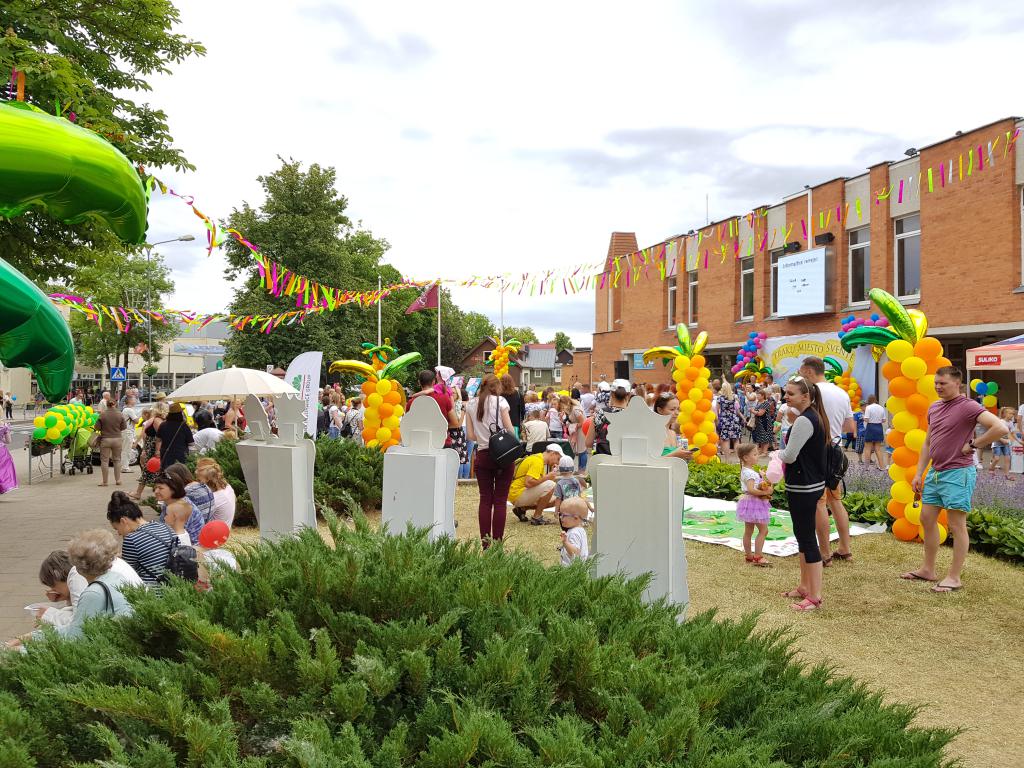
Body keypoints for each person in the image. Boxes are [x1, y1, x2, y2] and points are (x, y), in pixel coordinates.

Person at [902, 367, 1008, 593]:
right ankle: (928, 570)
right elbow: (928, 443)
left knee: (956, 525)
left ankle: (954, 577)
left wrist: (973, 445)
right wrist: (920, 473)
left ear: (958, 384)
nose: (938, 387)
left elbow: (1000, 427)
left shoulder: (968, 406)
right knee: (926, 518)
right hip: (936, 473)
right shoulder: (934, 407)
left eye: (943, 383)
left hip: (958, 473)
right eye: (936, 383)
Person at [777, 375, 829, 612]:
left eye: (790, 393)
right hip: (810, 484)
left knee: (807, 539)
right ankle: (805, 587)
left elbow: (789, 456)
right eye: (785, 393)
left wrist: (775, 455)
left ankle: (815, 596)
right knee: (803, 536)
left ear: (805, 397)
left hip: (804, 486)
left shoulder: (805, 420)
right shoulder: (810, 417)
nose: (786, 397)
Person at [798, 356, 854, 564]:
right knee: (835, 500)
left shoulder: (811, 392)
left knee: (818, 503)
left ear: (810, 372)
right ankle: (845, 549)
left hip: (814, 452)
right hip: (835, 450)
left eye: (802, 373)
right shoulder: (841, 392)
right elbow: (850, 428)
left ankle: (824, 553)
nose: (800, 377)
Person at [464, 373, 516, 548]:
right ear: (497, 387)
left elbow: (470, 435)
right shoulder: (501, 402)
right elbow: (510, 431)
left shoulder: (471, 405)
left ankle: (485, 545)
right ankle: (498, 545)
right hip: (502, 456)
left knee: (485, 500)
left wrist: (484, 438)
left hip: (483, 455)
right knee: (500, 501)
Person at [34, 548, 142, 629]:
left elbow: (79, 624)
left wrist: (49, 614)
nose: (54, 590)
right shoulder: (113, 564)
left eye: (53, 586)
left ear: (58, 576)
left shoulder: (76, 574)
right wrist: (67, 597)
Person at [106, 492, 178, 587]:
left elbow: (127, 572)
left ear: (123, 521)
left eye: (117, 528)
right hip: (174, 586)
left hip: (149, 593)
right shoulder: (167, 528)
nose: (119, 533)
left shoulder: (131, 539)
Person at [736, 443, 773, 567]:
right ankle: (758, 556)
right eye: (755, 454)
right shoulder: (750, 473)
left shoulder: (746, 471)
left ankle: (749, 555)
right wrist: (765, 492)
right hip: (755, 502)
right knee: (763, 530)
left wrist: (762, 477)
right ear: (746, 457)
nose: (758, 456)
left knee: (749, 531)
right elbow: (751, 489)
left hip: (747, 502)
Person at [508, 444, 565, 524]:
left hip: (516, 493)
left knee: (556, 499)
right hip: (517, 494)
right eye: (558, 459)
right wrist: (547, 477)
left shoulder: (537, 458)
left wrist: (550, 475)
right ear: (553, 453)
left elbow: (537, 482)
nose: (557, 462)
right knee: (550, 485)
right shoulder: (537, 461)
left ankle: (522, 509)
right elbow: (528, 482)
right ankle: (537, 517)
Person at [408, 369, 460, 449]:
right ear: (434, 382)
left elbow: (409, 425)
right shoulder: (444, 398)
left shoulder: (411, 402)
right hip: (441, 442)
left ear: (419, 382)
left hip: (419, 444)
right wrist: (439, 428)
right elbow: (455, 423)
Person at [153, 469, 203, 545]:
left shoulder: (181, 508)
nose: (156, 491)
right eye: (155, 487)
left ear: (173, 489)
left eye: (160, 488)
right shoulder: (168, 503)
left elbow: (173, 536)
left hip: (190, 548)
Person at [587, 379, 630, 455]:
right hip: (627, 460)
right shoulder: (633, 415)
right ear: (628, 395)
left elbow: (588, 443)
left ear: (611, 394)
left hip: (604, 460)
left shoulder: (600, 413)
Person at [131, 405, 165, 501]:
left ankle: (141, 493)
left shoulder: (157, 420)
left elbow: (160, 436)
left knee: (151, 470)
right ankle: (140, 493)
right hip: (152, 447)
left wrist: (156, 450)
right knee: (150, 470)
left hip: (153, 448)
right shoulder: (156, 419)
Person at [196, 459, 236, 526]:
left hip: (212, 534)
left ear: (207, 479)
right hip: (223, 531)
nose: (199, 483)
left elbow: (197, 519)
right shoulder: (228, 487)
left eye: (200, 480)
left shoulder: (213, 498)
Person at [653, 393, 693, 460]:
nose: (677, 413)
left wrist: (685, 455)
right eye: (672, 409)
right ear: (659, 410)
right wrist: (676, 454)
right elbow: (651, 462)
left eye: (678, 409)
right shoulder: (653, 432)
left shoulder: (672, 433)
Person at [97, 399, 127, 487]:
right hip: (117, 439)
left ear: (106, 404)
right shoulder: (120, 414)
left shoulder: (102, 414)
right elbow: (124, 427)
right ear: (115, 404)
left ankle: (105, 481)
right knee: (117, 460)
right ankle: (118, 480)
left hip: (105, 439)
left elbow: (97, 427)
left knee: (104, 461)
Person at [156, 402, 194, 469]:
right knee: (179, 474)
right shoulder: (184, 426)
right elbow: (191, 443)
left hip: (166, 454)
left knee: (167, 473)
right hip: (181, 454)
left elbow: (158, 440)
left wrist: (157, 451)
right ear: (180, 414)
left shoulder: (163, 425)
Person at [558, 497, 590, 566]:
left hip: (571, 572)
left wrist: (565, 542)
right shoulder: (581, 530)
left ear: (576, 518)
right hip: (578, 570)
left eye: (564, 515)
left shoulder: (574, 533)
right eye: (560, 514)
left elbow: (575, 553)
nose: (560, 517)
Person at [715, 382, 743, 461]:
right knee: (736, 439)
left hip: (725, 420)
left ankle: (727, 459)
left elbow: (717, 411)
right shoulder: (734, 397)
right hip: (734, 420)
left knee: (725, 440)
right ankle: (738, 459)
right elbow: (737, 409)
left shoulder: (720, 398)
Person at [988, 406, 1015, 479]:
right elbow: (994, 433)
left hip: (1006, 443)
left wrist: (1011, 440)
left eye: (1013, 414)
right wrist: (1002, 440)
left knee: (1007, 459)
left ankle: (1007, 475)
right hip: (997, 442)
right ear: (1005, 414)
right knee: (996, 458)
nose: (1012, 415)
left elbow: (1012, 434)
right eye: (1010, 413)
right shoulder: (1000, 422)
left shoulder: (1011, 423)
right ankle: (991, 468)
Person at [861, 395, 887, 469]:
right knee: (878, 449)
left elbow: (866, 419)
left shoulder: (868, 407)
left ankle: (866, 467)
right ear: (875, 400)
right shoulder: (881, 407)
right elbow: (884, 420)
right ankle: (882, 467)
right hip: (879, 427)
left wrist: (863, 417)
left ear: (869, 401)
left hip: (870, 427)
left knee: (867, 448)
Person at [751, 389, 776, 454]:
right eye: (757, 395)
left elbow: (760, 413)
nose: (757, 396)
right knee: (761, 438)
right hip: (759, 423)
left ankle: (765, 452)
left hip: (765, 423)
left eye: (758, 395)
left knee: (765, 438)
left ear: (763, 396)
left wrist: (752, 411)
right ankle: (762, 451)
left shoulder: (766, 403)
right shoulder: (758, 402)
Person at [501, 374, 525, 438]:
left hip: (501, 423)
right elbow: (522, 410)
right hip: (515, 423)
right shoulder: (518, 394)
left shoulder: (498, 395)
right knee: (513, 444)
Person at [120, 393, 140, 473]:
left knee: (125, 449)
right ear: (130, 401)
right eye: (134, 399)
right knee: (127, 449)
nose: (136, 400)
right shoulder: (129, 410)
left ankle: (124, 466)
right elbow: (137, 421)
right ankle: (125, 467)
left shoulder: (125, 409)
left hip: (125, 431)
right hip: (128, 432)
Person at [0, 418, 17, 494]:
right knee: (3, 471)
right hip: (2, 451)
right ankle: (4, 487)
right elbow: (8, 441)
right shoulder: (4, 425)